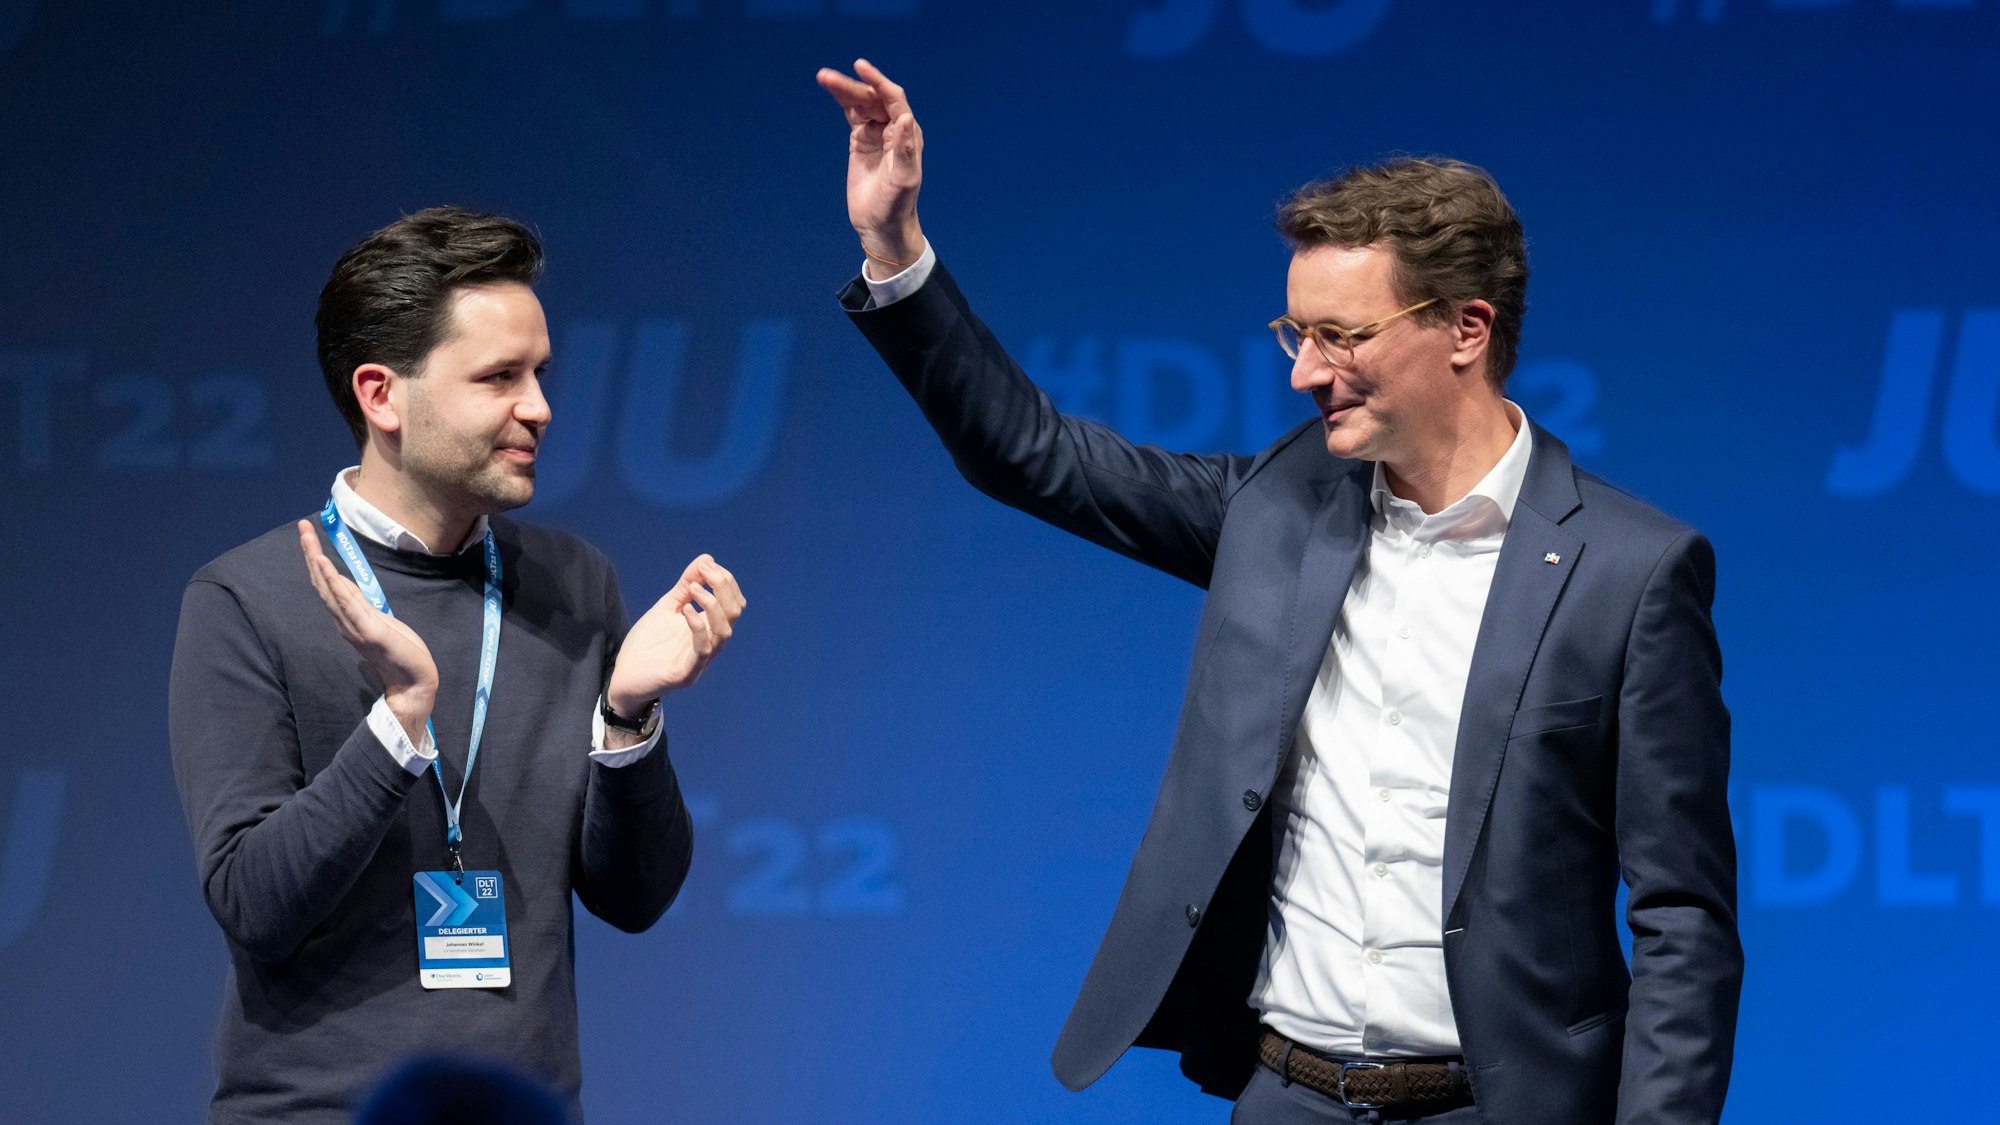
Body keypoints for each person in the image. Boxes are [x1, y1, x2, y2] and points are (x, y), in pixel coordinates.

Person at [818, 61, 1740, 1124]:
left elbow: (1680, 915)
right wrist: (896, 251)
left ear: (1465, 330)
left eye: (1339, 336)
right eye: (1294, 333)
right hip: (1285, 1097)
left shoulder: (1628, 571)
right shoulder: (1276, 507)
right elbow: (1032, 455)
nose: (1304, 372)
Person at [168, 207, 746, 1124]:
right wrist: (397, 722)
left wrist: (628, 718)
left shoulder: (572, 581)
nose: (540, 407)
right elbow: (253, 900)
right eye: (499, 377)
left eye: (540, 373)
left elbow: (634, 898)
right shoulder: (247, 599)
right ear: (382, 395)